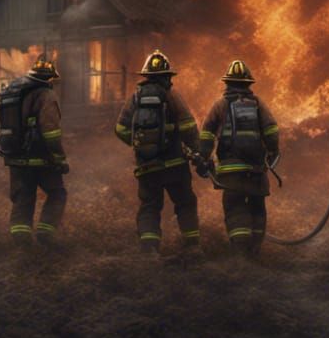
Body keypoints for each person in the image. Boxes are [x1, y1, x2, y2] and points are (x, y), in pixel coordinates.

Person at [114, 50, 201, 254]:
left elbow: (119, 129)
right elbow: (188, 127)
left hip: (147, 166)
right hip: (175, 166)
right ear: (167, 77)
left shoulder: (135, 98)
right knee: (185, 204)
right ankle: (193, 247)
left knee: (150, 207)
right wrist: (198, 153)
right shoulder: (172, 96)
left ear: (146, 76)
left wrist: (139, 144)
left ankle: (149, 250)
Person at [198, 60, 280, 256]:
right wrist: (272, 152)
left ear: (227, 83)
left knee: (235, 208)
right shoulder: (258, 104)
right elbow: (271, 130)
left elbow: (207, 134)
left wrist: (204, 158)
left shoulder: (220, 105)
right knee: (257, 207)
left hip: (230, 172)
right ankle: (255, 250)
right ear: (248, 84)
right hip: (256, 169)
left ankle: (240, 253)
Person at [2, 55, 69, 247]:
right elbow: (51, 131)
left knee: (23, 196)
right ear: (49, 77)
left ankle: (21, 241)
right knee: (57, 193)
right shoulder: (46, 95)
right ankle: (45, 233)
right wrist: (60, 158)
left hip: (15, 156)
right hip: (41, 158)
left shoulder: (15, 93)